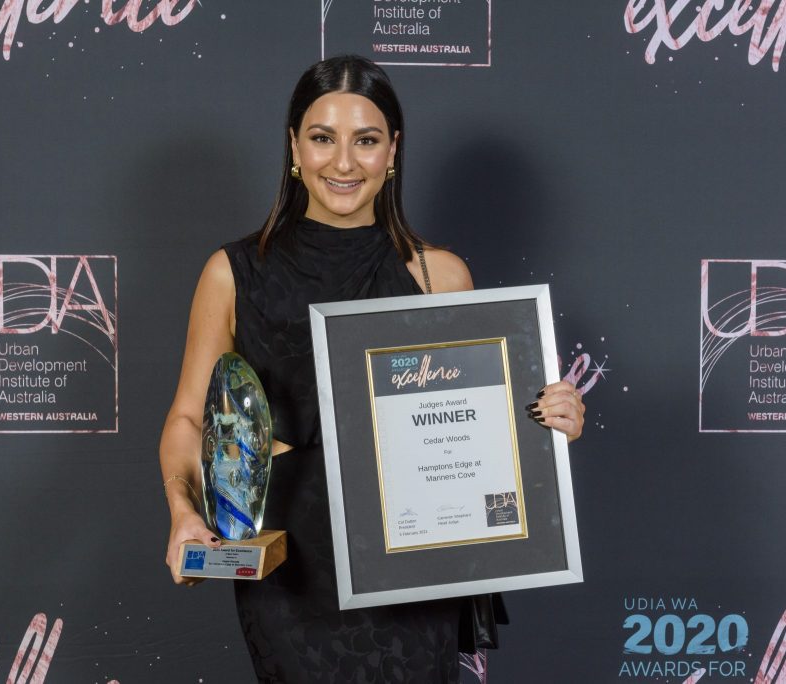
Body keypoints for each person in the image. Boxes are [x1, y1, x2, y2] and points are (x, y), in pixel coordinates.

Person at [159, 54, 585, 682]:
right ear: (294, 148)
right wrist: (183, 512)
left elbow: (475, 428)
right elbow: (189, 419)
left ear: (392, 152)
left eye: (365, 140)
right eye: (322, 138)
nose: (344, 162)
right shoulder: (233, 273)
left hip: (413, 567)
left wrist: (547, 420)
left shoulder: (441, 276)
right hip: (291, 572)